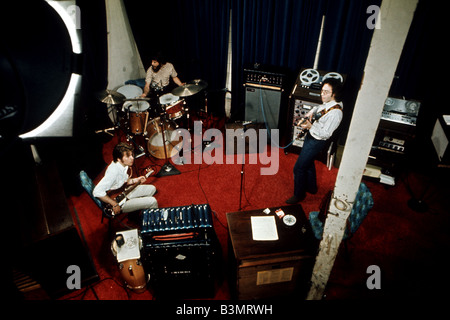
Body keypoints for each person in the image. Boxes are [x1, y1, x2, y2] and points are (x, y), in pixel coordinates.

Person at [286, 78, 343, 204]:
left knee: (299, 168)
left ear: (334, 94)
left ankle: (298, 195)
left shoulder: (336, 114)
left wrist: (310, 126)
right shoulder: (330, 104)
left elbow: (326, 134)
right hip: (312, 137)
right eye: (322, 91)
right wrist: (312, 111)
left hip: (316, 141)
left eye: (326, 92)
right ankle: (312, 188)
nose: (322, 94)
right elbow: (322, 107)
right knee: (309, 163)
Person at [93, 142, 158, 216]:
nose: (132, 158)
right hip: (119, 201)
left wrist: (136, 180)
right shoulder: (113, 172)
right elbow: (96, 191)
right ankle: (153, 223)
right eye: (128, 156)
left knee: (152, 189)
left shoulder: (124, 165)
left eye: (131, 155)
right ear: (119, 159)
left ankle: (136, 210)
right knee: (153, 201)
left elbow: (124, 181)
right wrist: (114, 204)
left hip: (124, 190)